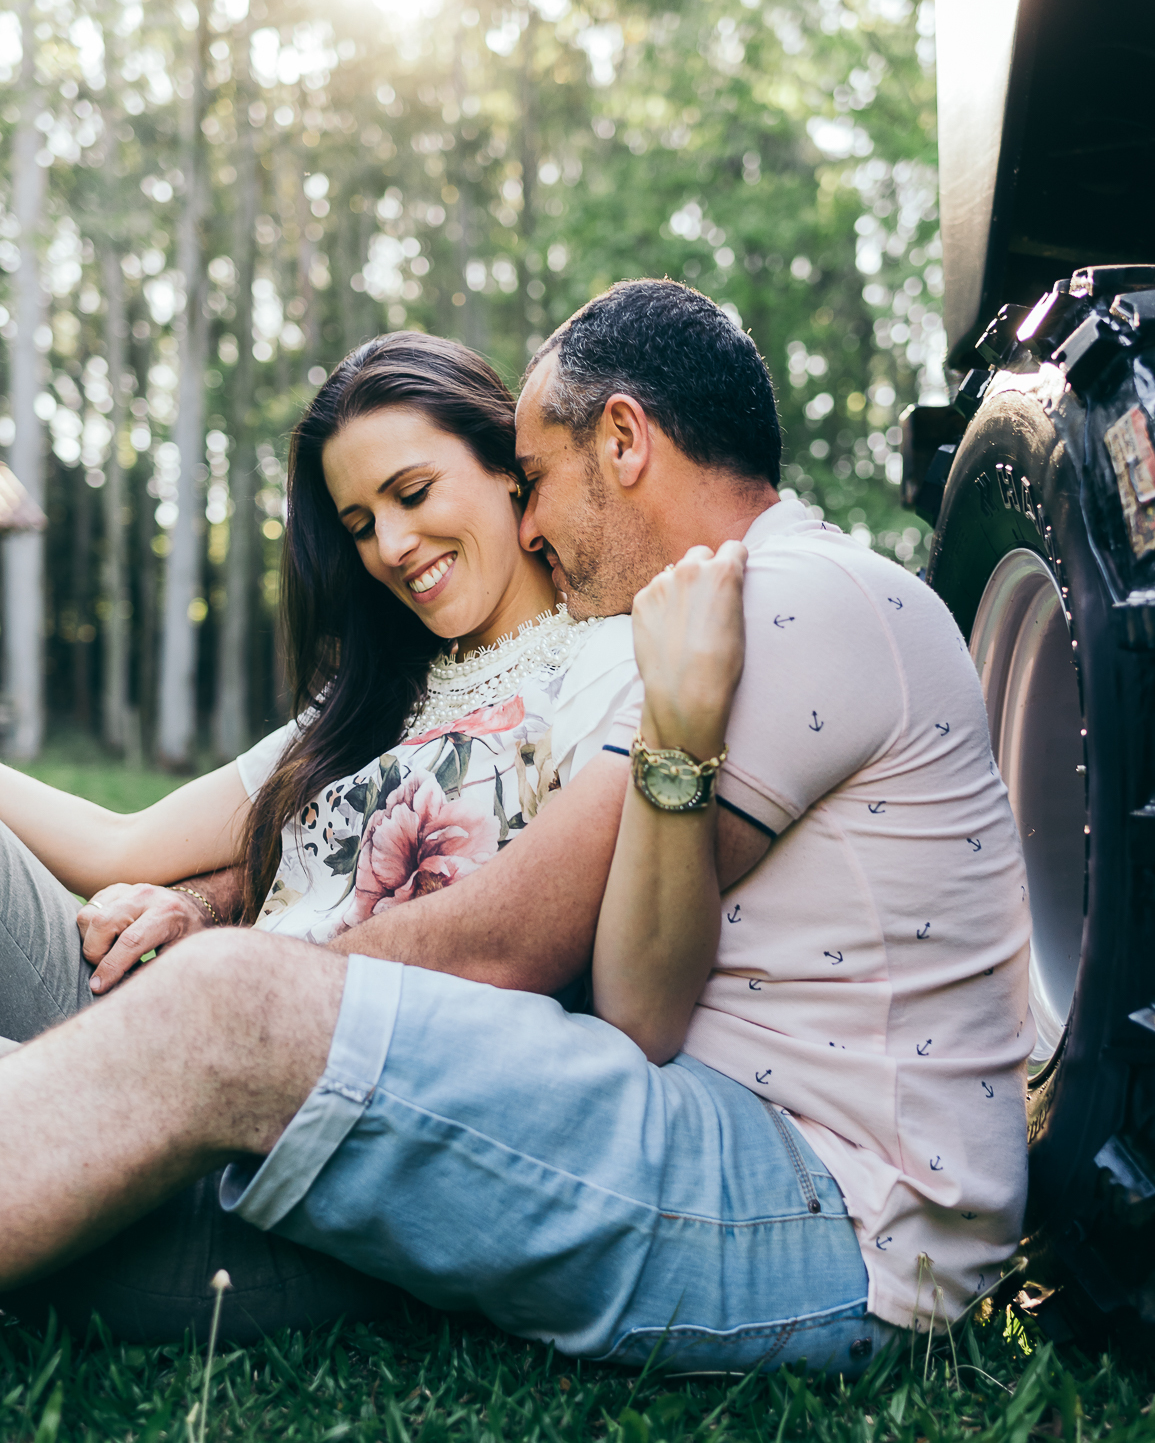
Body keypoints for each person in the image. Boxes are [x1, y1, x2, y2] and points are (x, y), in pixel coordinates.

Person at [0, 281, 1031, 1373]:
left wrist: (224, 995)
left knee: (224, 1003)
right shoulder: (713, 612)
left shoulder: (781, 601)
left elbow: (546, 956)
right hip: (697, 1124)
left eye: (531, 480)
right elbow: (639, 996)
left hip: (845, 1213)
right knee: (205, 1011)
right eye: (360, 523)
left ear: (622, 439)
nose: (531, 525)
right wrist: (209, 915)